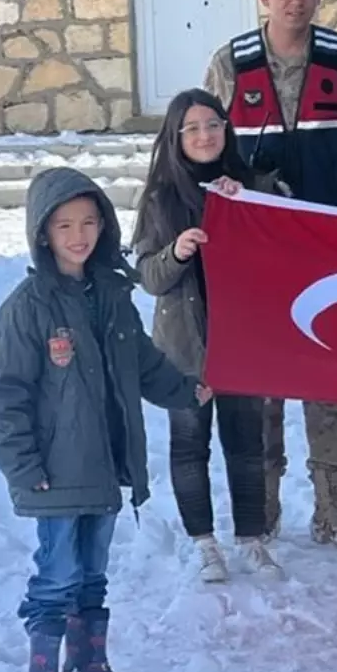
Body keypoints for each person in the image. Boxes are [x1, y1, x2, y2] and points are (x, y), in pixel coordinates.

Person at [0, 168, 209, 672]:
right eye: (64, 225)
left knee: (92, 575)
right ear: (42, 233)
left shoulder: (113, 294)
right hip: (55, 473)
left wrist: (187, 390)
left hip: (106, 466)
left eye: (88, 222)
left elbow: (146, 365)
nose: (78, 235)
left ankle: (90, 665)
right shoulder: (28, 307)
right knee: (56, 575)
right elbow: (4, 395)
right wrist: (23, 466)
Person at [205, 0, 337, 551]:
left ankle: (333, 506)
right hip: (257, 254)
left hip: (331, 249)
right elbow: (201, 145)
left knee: (330, 377)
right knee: (262, 380)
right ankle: (261, 504)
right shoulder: (231, 64)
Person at [133, 89, 283, 584]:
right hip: (184, 348)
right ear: (176, 137)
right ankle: (204, 544)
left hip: (242, 341)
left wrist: (255, 206)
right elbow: (149, 277)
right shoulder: (160, 197)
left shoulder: (254, 186)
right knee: (189, 446)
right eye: (192, 128)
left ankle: (253, 540)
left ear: (227, 129)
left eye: (213, 125)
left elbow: (285, 251)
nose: (204, 135)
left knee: (247, 446)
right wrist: (176, 251)